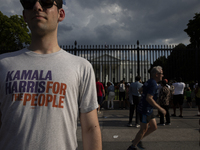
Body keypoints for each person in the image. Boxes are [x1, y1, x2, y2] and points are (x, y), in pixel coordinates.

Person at [0, 1, 102, 150]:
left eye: (46, 2)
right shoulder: (3, 64)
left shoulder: (81, 67)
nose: (37, 7)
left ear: (61, 14)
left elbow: (90, 128)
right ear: (24, 16)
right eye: (29, 3)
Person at [127, 66, 166, 150]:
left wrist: (144, 93)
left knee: (154, 127)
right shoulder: (153, 84)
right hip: (145, 109)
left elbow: (140, 90)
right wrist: (160, 108)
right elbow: (149, 98)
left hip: (148, 109)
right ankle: (132, 146)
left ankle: (137, 140)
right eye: (161, 74)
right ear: (156, 74)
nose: (162, 75)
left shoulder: (149, 81)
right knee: (143, 129)